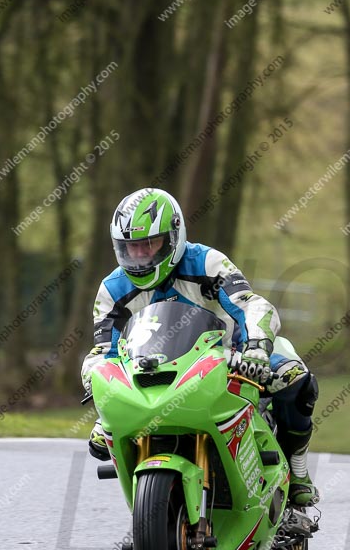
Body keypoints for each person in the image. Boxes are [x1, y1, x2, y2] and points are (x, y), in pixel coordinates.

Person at [81, 188, 319, 506]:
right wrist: (103, 402)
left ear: (173, 237)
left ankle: (297, 469)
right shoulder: (112, 289)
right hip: (151, 375)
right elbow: (103, 353)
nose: (140, 257)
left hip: (230, 358)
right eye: (130, 249)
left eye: (148, 245)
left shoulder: (207, 263)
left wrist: (257, 350)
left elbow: (252, 306)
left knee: (295, 377)